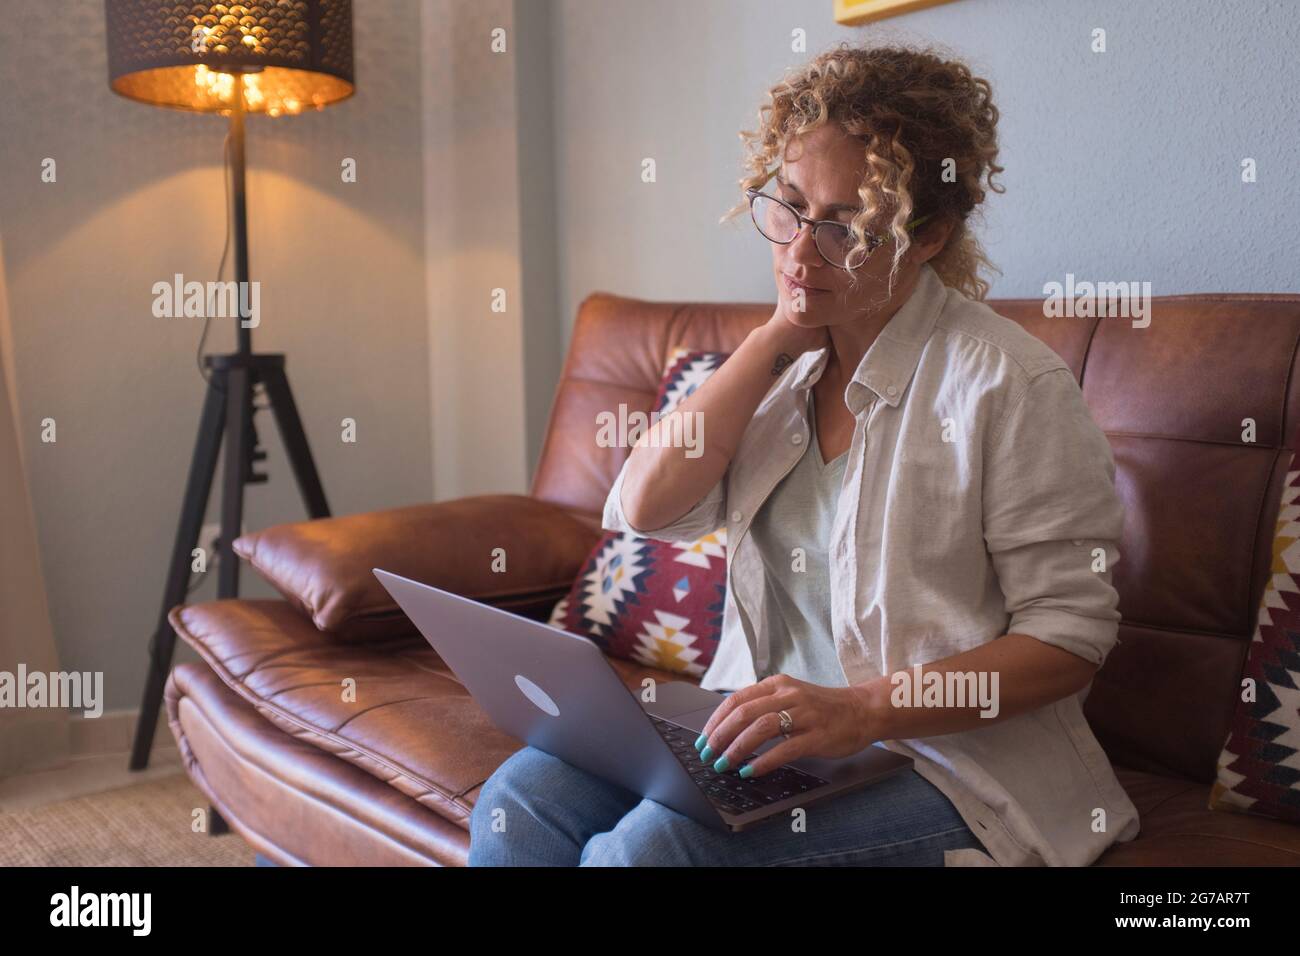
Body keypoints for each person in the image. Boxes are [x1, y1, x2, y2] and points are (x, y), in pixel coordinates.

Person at [469, 42, 1139, 867]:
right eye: (786, 208)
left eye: (847, 227)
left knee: (648, 856)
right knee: (518, 802)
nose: (797, 252)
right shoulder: (784, 373)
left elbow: (1069, 640)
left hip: (946, 762)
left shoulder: (1009, 385)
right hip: (764, 736)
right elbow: (644, 507)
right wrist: (775, 337)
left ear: (928, 235)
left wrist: (865, 709)